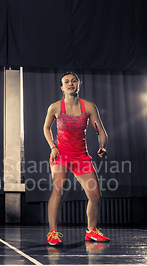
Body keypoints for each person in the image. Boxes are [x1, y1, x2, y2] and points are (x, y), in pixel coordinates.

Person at [43, 72, 110, 246]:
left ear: (79, 84)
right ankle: (52, 232)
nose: (70, 83)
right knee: (58, 190)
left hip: (81, 155)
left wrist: (102, 146)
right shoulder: (55, 107)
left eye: (74, 81)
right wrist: (53, 147)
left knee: (95, 195)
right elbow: (46, 128)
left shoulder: (88, 107)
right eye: (67, 81)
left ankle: (91, 231)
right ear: (62, 87)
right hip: (61, 155)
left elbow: (101, 131)